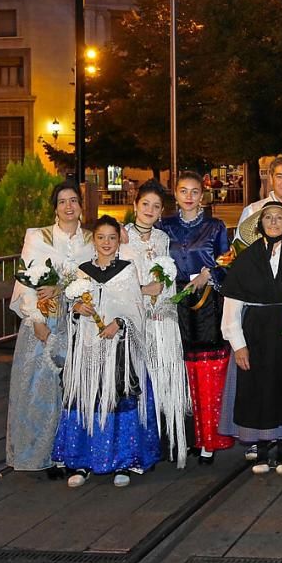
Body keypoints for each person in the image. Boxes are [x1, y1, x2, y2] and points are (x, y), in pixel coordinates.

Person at [54, 216, 161, 488]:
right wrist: (76, 311)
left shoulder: (127, 270)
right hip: (88, 350)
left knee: (117, 398)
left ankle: (123, 461)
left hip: (117, 349)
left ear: (118, 241)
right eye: (101, 237)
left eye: (112, 237)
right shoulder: (82, 272)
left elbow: (137, 310)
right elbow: (70, 312)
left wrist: (120, 323)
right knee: (86, 398)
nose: (106, 243)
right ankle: (82, 460)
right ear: (94, 240)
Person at [219, 202, 282, 475]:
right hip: (256, 334)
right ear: (259, 224)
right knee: (257, 389)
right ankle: (261, 450)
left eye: (279, 218)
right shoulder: (246, 259)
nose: (273, 222)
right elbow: (232, 307)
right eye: (268, 218)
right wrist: (238, 345)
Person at [7, 181, 94, 474]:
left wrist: (61, 286)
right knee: (41, 392)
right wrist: (38, 324)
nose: (69, 207)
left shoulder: (93, 240)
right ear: (54, 207)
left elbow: (96, 280)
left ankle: (71, 453)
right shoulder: (38, 237)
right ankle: (41, 453)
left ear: (81, 205)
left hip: (80, 321)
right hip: (45, 321)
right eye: (62, 202)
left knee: (75, 390)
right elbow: (26, 283)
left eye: (73, 200)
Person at [157, 171, 234, 465]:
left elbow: (227, 263)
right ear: (175, 194)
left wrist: (209, 274)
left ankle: (209, 439)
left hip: (206, 305)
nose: (189, 196)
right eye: (183, 191)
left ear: (202, 196)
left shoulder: (215, 227)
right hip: (172, 303)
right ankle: (183, 436)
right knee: (176, 369)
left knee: (208, 372)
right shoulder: (165, 226)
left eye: (194, 191)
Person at [121, 180, 190, 468]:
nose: (150, 210)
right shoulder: (122, 237)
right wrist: (141, 290)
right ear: (135, 204)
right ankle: (139, 445)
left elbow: (168, 278)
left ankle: (168, 441)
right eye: (145, 204)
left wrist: (163, 297)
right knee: (141, 378)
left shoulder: (162, 239)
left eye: (156, 206)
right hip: (137, 320)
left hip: (163, 318)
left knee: (166, 377)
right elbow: (115, 280)